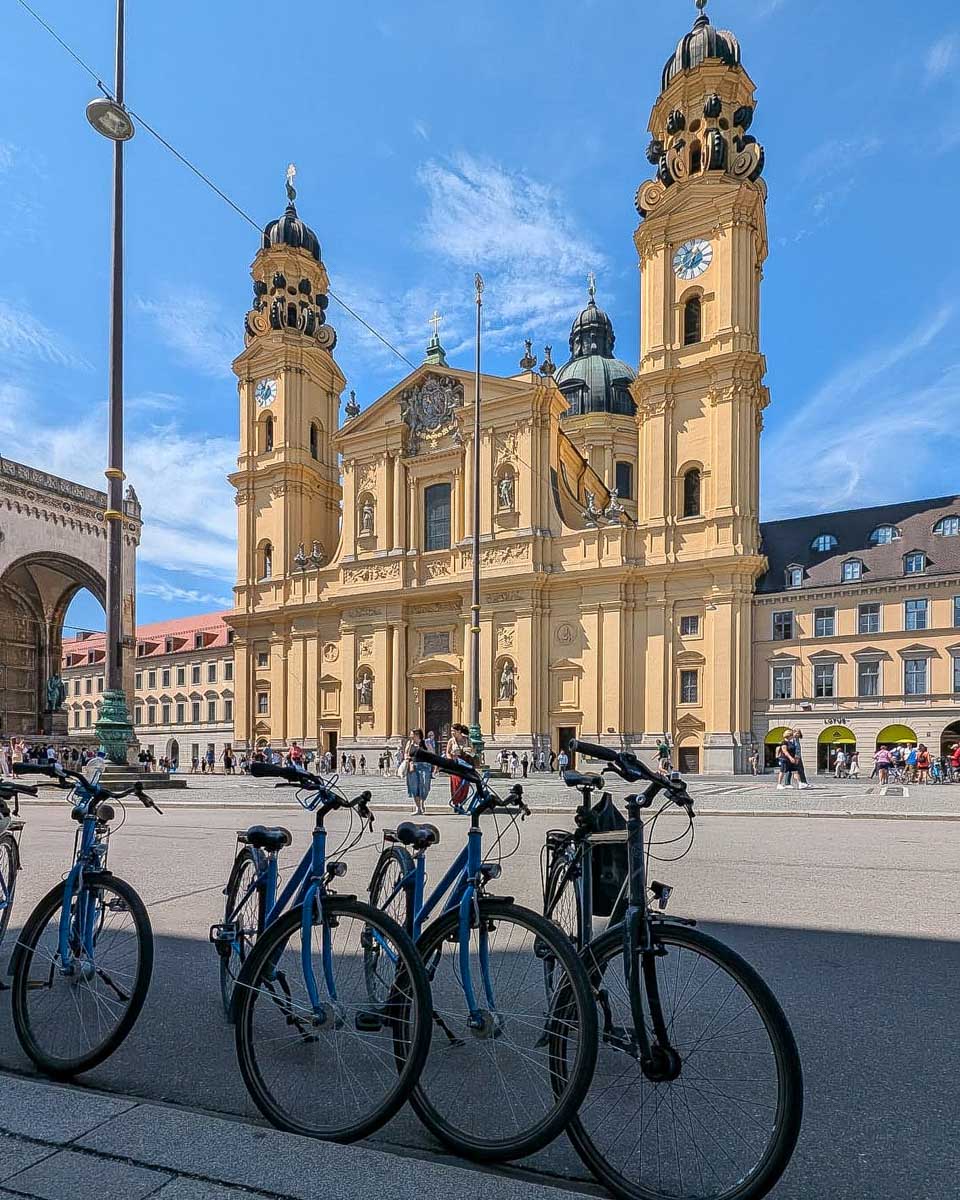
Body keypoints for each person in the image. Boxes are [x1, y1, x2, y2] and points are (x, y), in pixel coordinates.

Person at [404, 729, 431, 815]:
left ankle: (422, 803)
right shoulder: (409, 743)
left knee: (424, 785)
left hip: (425, 766)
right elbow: (406, 753)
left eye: (411, 734)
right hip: (413, 766)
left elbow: (432, 753)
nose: (410, 736)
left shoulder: (425, 743)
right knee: (414, 787)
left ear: (417, 735)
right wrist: (406, 758)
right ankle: (418, 808)